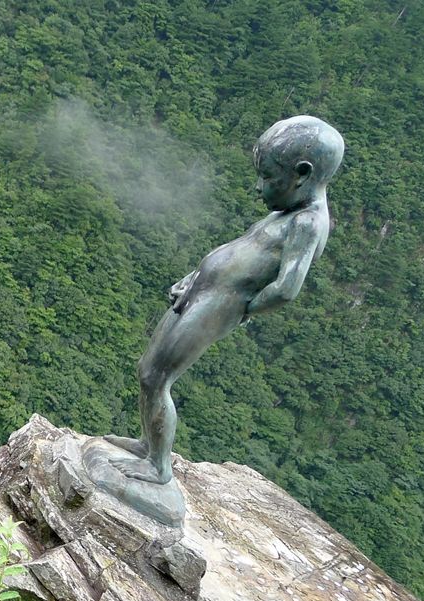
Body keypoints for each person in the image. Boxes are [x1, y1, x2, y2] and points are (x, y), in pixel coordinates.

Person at [106, 115, 344, 484]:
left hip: (219, 305)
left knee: (158, 377)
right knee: (146, 370)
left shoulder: (308, 223)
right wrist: (194, 278)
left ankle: (158, 466)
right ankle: (147, 443)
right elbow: (239, 250)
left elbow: (286, 288)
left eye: (268, 178)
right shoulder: (288, 212)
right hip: (204, 293)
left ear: (302, 173)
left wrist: (239, 309)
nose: (259, 187)